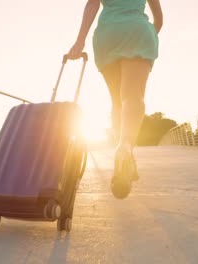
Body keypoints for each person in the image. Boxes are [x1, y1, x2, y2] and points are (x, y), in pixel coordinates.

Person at [68, 0, 163, 199]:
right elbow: (159, 20)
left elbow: (92, 5)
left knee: (117, 102)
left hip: (107, 35)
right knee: (132, 96)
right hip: (137, 30)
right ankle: (125, 146)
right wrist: (147, 33)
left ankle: (127, 153)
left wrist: (79, 41)